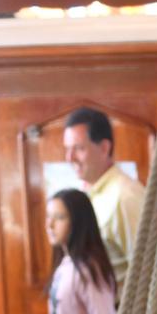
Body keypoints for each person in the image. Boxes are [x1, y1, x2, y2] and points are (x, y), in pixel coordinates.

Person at [63, 107, 145, 290]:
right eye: (67, 149)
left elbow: (147, 271)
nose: (70, 158)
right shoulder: (86, 195)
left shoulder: (126, 196)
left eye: (78, 148)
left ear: (104, 148)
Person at [46, 188, 118, 314]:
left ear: (77, 222)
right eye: (49, 217)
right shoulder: (66, 265)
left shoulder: (88, 269)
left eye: (59, 217)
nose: (50, 225)